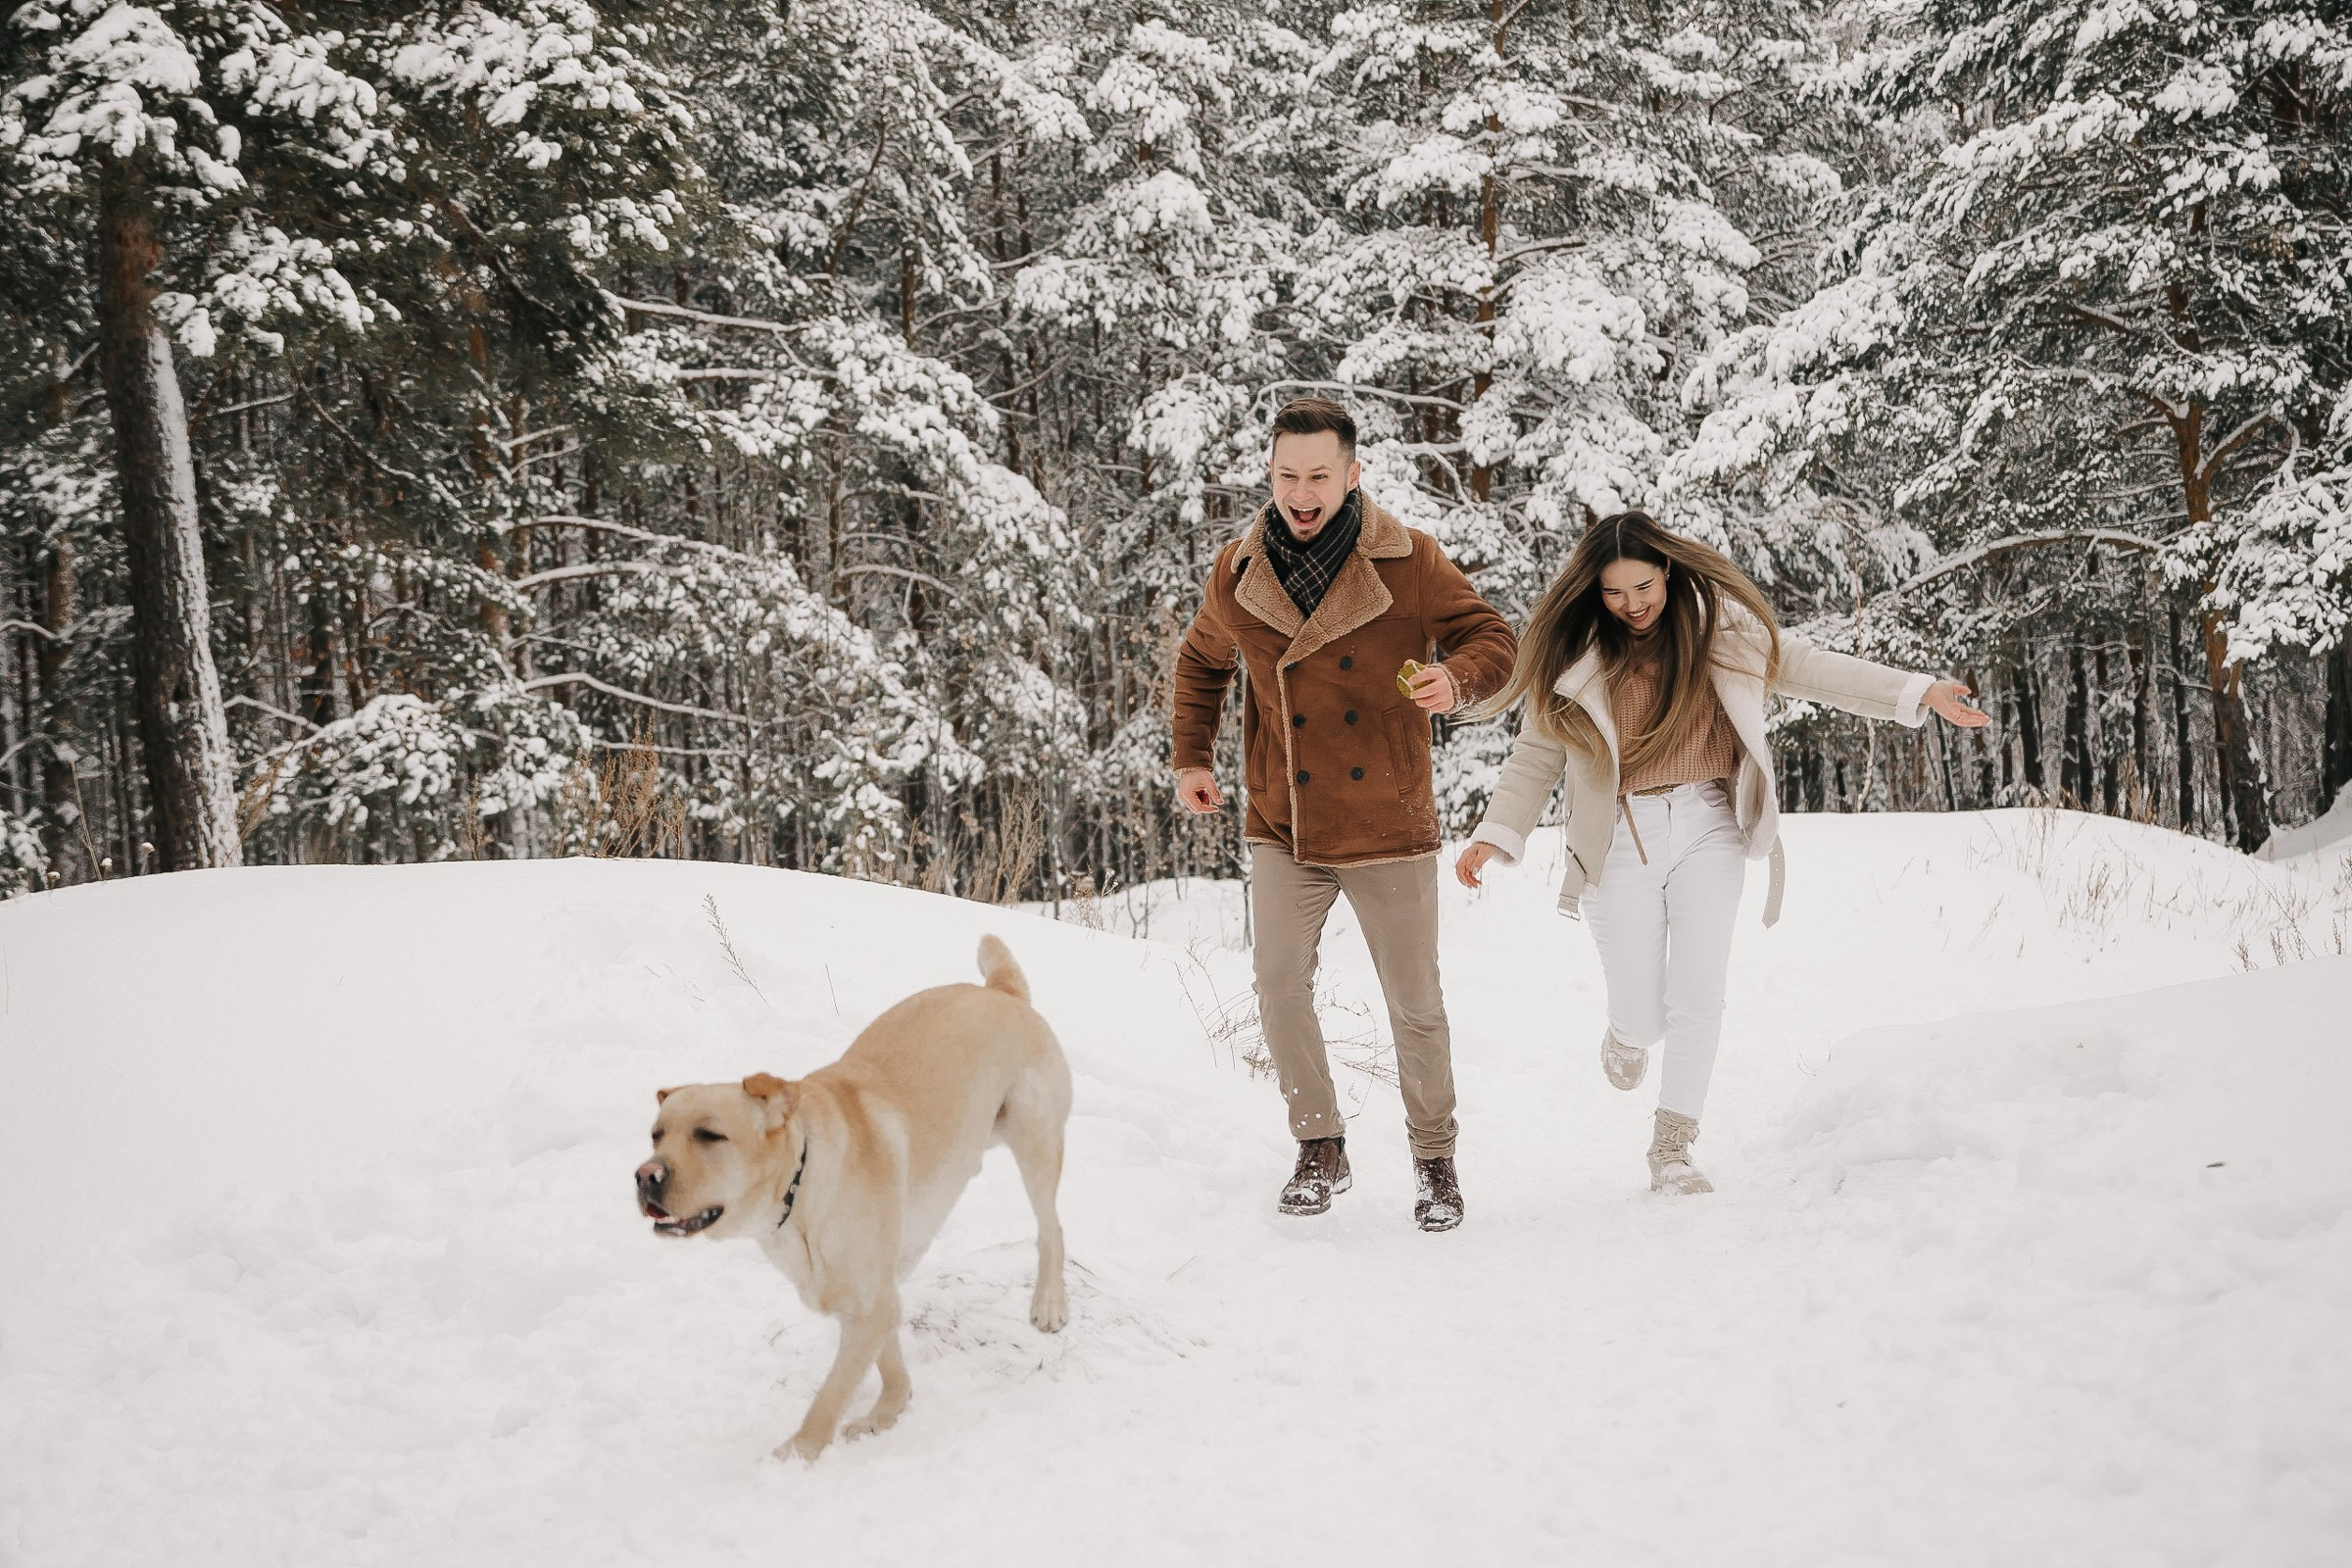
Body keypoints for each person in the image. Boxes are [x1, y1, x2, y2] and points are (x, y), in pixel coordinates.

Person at [1455, 512, 1988, 1194]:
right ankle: (1626, 1030)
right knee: (1646, 1016)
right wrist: (1497, 834)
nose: (1632, 604)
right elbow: (1535, 754)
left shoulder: (1720, 631)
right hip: (1619, 835)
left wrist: (1918, 692)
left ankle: (1672, 1147)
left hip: (1710, 821)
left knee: (1700, 996)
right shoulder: (1575, 652)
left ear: (1668, 571)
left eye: (1643, 586)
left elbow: (1813, 670)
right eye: (1615, 593)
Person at [1172, 397, 1517, 1231]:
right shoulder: (1239, 569)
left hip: (1386, 820)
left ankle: (1435, 1158)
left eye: (1319, 475)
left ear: (1352, 475)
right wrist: (1191, 757)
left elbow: (1494, 640)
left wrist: (1456, 681)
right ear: (1271, 474)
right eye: (1288, 474)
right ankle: (1319, 1143)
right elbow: (1201, 660)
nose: (1302, 491)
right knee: (1278, 986)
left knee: (1415, 1002)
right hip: (1282, 818)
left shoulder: (1408, 560)